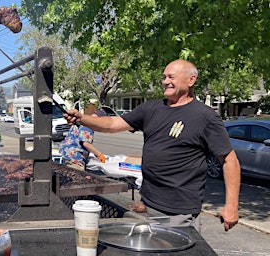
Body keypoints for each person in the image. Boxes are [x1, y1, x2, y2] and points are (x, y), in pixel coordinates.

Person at [63, 59, 240, 232]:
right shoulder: (151, 109)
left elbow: (229, 161)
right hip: (148, 203)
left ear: (191, 80)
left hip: (179, 211)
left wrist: (231, 206)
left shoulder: (205, 116)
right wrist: (82, 118)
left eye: (171, 77)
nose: (165, 82)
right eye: (164, 77)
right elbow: (112, 124)